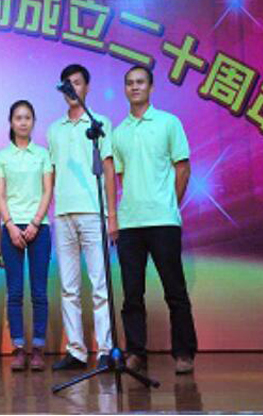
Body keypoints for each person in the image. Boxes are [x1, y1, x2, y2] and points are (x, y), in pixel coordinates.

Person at [112, 65, 198, 375]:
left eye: (140, 82)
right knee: (132, 294)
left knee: (175, 291)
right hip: (130, 224)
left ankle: (184, 353)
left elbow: (183, 168)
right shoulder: (118, 132)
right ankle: (136, 352)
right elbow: (121, 176)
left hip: (163, 221)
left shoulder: (168, 123)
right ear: (125, 89)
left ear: (151, 87)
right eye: (129, 83)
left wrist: (169, 204)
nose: (135, 87)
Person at [48, 64, 117, 371]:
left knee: (100, 284)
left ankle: (106, 350)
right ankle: (76, 350)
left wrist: (112, 216)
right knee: (69, 287)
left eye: (77, 83)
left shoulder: (100, 124)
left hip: (93, 212)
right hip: (63, 214)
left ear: (87, 87)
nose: (72, 89)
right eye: (67, 83)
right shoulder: (54, 129)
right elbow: (51, 173)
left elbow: (109, 169)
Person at [0, 100, 53, 371]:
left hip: (39, 227)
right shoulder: (2, 157)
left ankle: (38, 348)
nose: (23, 122)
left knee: (39, 292)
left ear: (33, 122)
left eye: (27, 117)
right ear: (11, 122)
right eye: (18, 117)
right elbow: (0, 195)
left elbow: (47, 190)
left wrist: (35, 223)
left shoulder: (42, 154)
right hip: (12, 228)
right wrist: (10, 225)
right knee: (15, 291)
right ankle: (18, 348)